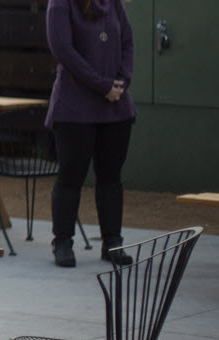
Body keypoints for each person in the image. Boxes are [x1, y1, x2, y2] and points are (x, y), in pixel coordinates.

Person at [46, 0, 136, 267]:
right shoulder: (60, 4)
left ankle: (112, 243)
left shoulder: (114, 3)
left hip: (115, 107)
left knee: (111, 178)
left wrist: (121, 81)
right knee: (71, 176)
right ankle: (62, 242)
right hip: (74, 107)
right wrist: (102, 85)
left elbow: (128, 42)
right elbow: (62, 49)